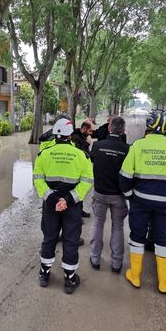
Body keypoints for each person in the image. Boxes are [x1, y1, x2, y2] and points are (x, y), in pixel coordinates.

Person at [119, 111, 166, 294]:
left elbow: (125, 176)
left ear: (149, 128)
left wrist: (130, 196)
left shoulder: (138, 146)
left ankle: (135, 276)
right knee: (163, 239)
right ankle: (163, 281)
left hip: (140, 201)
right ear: (165, 128)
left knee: (137, 236)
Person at [33, 118, 93, 294]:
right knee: (71, 240)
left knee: (49, 238)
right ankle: (69, 279)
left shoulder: (44, 154)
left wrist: (52, 199)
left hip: (51, 206)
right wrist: (68, 200)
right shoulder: (81, 155)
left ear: (55, 134)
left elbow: (38, 180)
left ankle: (44, 275)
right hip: (72, 206)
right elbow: (87, 182)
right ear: (70, 135)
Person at [88, 116, 130, 274]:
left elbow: (92, 162)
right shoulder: (127, 149)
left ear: (109, 128)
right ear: (123, 130)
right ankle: (116, 263)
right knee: (118, 227)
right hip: (119, 195)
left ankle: (95, 259)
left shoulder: (97, 145)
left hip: (100, 193)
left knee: (97, 224)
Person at [71, 119, 95, 218]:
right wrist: (88, 143)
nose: (91, 133)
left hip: (81, 170)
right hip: (75, 170)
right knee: (75, 193)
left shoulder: (82, 136)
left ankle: (79, 211)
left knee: (80, 193)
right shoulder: (75, 137)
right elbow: (79, 153)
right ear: (84, 129)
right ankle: (76, 214)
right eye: (90, 131)